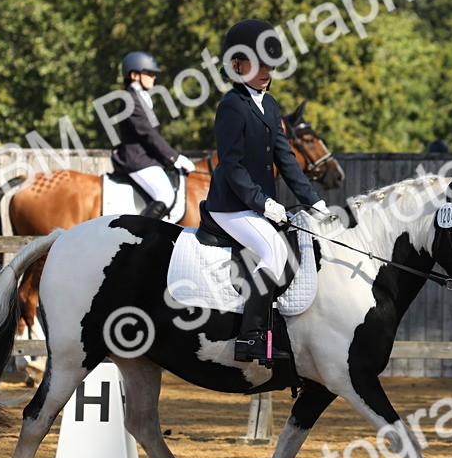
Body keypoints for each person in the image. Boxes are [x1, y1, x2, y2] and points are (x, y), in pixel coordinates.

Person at [201, 19, 331, 364]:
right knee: (274, 249)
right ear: (237, 64)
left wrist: (315, 202)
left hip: (257, 206)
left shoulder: (271, 106)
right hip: (230, 206)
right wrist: (263, 203)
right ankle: (250, 336)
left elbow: (286, 159)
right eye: (258, 64)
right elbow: (232, 165)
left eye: (270, 65)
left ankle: (277, 331)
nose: (266, 71)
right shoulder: (231, 105)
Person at [112, 51, 196, 220]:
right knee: (166, 195)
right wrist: (175, 157)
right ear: (134, 75)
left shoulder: (140, 97)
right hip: (137, 160)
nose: (153, 77)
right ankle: (140, 233)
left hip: (147, 158)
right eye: (149, 73)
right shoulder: (130, 100)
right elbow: (149, 134)